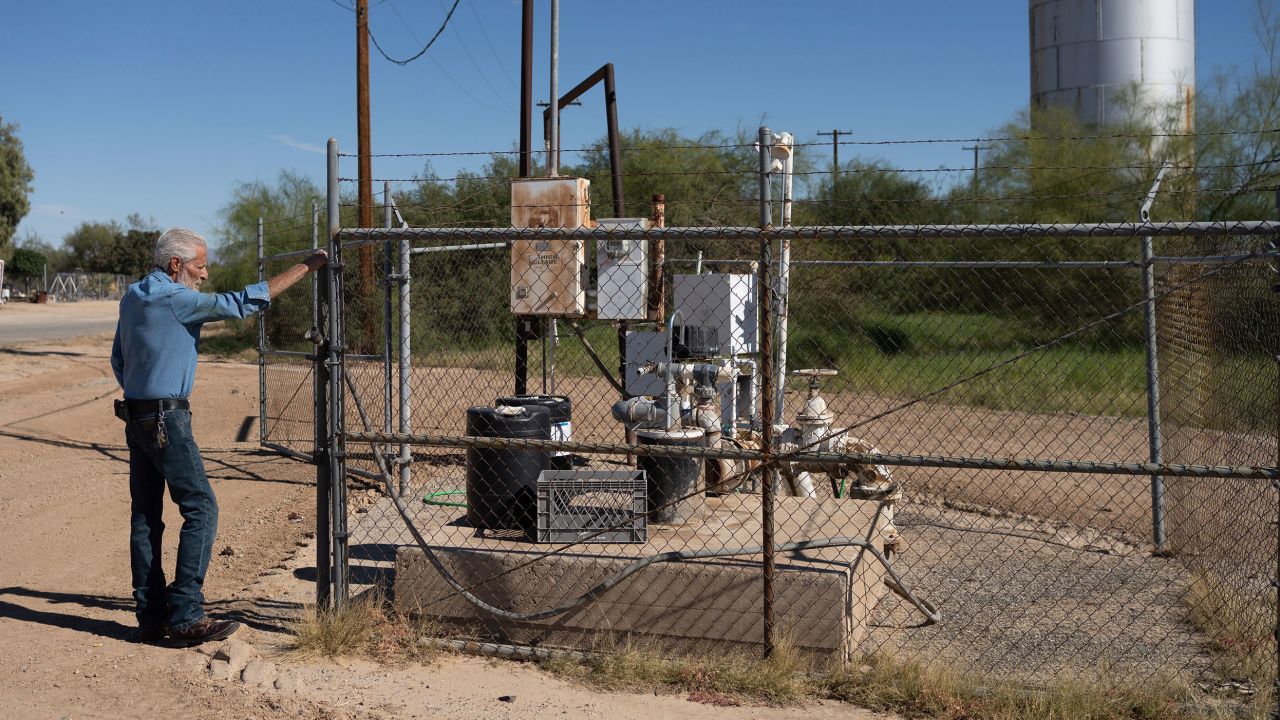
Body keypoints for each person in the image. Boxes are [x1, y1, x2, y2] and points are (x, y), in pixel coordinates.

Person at [111, 227, 327, 646]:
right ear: (176, 265)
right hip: (164, 420)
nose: (205, 274)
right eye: (200, 265)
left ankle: (151, 617)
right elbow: (240, 304)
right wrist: (308, 266)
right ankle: (187, 614)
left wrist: (143, 391)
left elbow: (118, 358)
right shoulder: (176, 298)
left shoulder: (133, 296)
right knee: (201, 508)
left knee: (146, 516)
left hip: (136, 416)